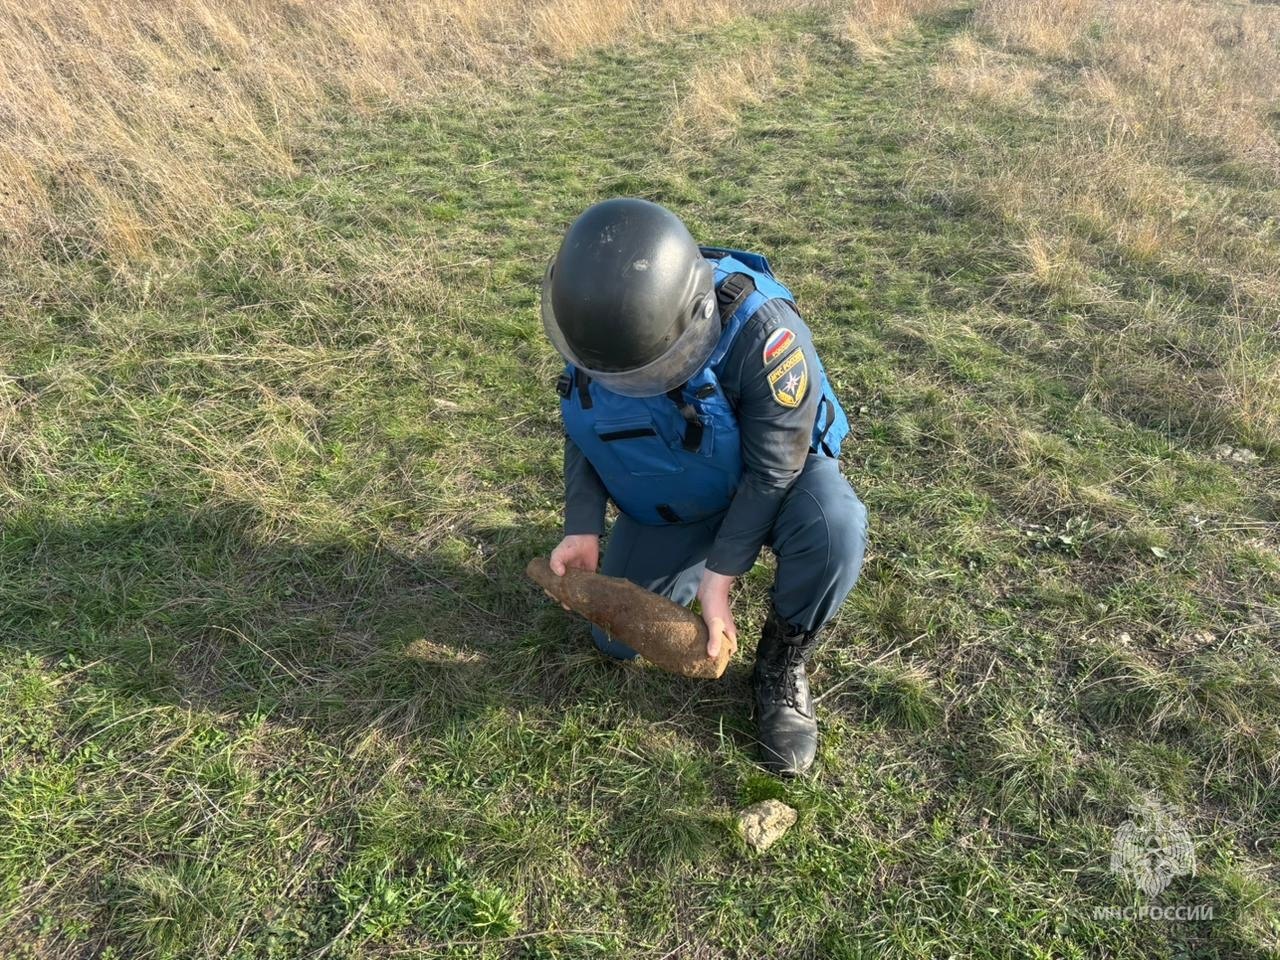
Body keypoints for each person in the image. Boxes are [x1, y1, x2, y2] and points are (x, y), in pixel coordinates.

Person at [539, 197, 868, 777]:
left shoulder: (765, 334)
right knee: (614, 642)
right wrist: (582, 525)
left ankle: (781, 663)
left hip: (774, 482)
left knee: (833, 527)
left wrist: (721, 577)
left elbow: (774, 470)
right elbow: (583, 423)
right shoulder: (593, 326)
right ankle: (689, 548)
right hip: (680, 491)